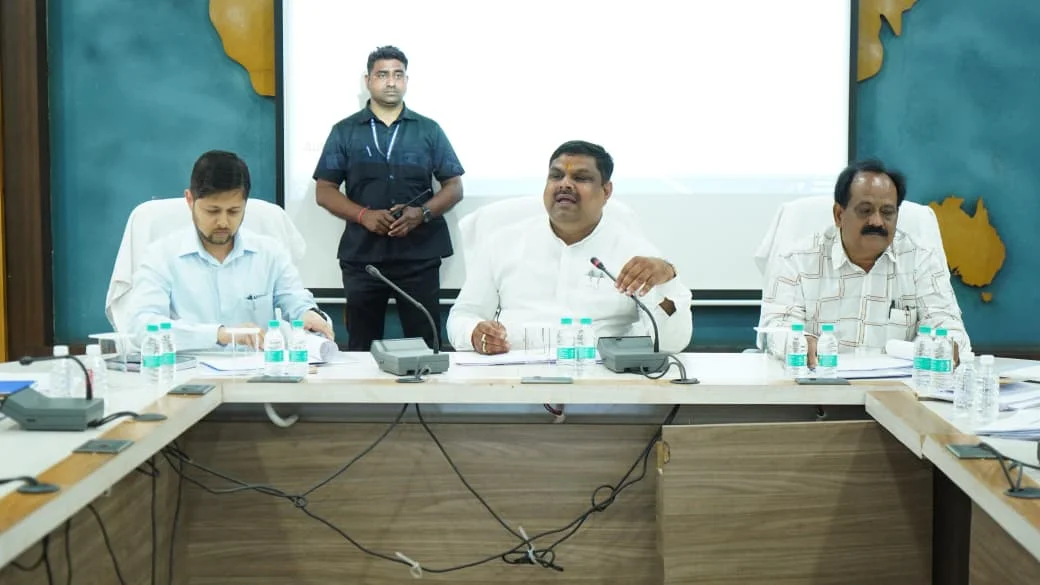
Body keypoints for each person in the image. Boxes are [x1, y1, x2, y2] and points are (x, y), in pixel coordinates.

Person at [446, 140, 693, 354]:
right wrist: (474, 333)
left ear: (606, 191)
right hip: (511, 377)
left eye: (581, 178)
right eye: (556, 176)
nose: (564, 184)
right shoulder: (503, 243)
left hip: (601, 381)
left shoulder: (635, 254)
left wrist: (667, 279)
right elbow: (463, 316)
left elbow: (671, 343)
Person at [313, 45, 464, 351]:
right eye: (382, 75)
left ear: (406, 80)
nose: (391, 82)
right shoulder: (344, 131)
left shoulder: (428, 130)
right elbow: (324, 190)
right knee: (361, 346)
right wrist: (363, 215)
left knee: (425, 345)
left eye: (398, 74)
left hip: (419, 255)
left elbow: (454, 187)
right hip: (364, 258)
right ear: (367, 80)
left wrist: (422, 213)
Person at [758, 158, 970, 367]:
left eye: (887, 213)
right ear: (839, 215)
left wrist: (947, 344)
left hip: (897, 387)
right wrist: (797, 342)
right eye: (865, 211)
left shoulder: (920, 259)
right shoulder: (796, 259)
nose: (876, 222)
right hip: (820, 383)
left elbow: (947, 323)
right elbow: (777, 326)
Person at [130, 150, 334, 350]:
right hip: (190, 369)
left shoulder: (270, 253)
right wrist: (220, 334)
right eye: (213, 211)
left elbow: (295, 300)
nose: (223, 222)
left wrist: (308, 313)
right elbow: (141, 326)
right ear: (190, 200)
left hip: (257, 369)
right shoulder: (161, 256)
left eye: (234, 211)